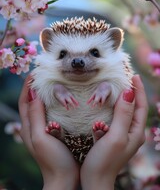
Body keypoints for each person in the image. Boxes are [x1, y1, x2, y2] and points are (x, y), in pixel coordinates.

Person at [18, 74, 148, 190]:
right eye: (63, 55)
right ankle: (67, 136)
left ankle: (72, 137)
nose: (78, 62)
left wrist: (60, 177)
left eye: (94, 53)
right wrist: (98, 178)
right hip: (68, 125)